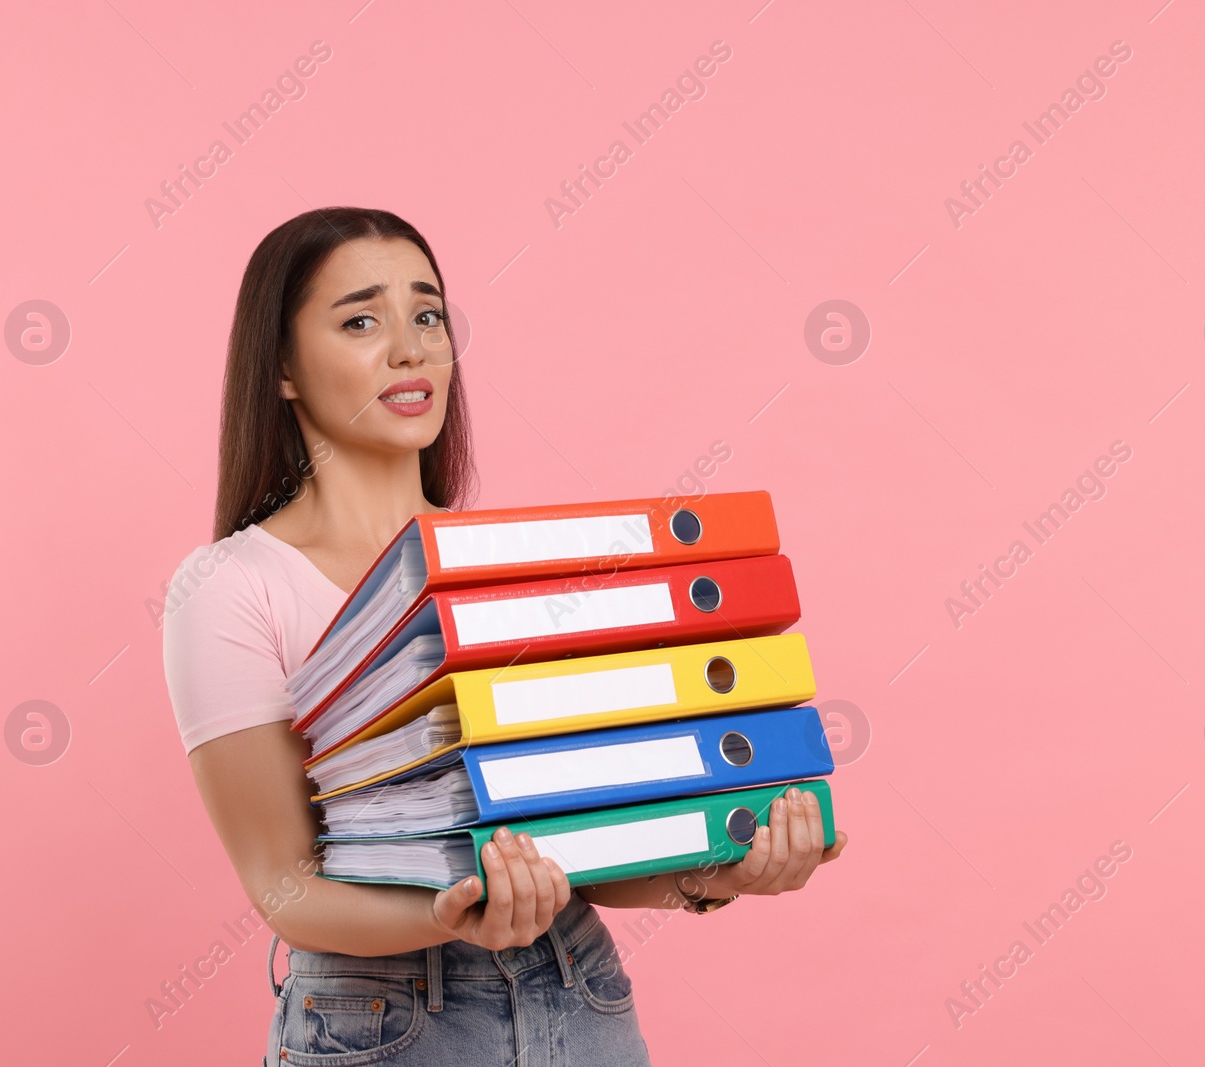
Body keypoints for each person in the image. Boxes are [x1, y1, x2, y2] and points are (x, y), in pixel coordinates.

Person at [161, 206, 847, 1065]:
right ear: (284, 368)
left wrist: (716, 873)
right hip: (384, 1020)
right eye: (361, 320)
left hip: (579, 988)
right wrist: (453, 913)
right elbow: (284, 886)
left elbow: (582, 845)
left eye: (429, 314)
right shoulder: (231, 586)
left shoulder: (505, 567)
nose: (410, 349)